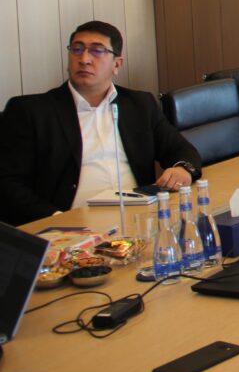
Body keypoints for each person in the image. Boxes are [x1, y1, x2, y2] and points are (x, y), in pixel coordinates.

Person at [0, 21, 203, 226]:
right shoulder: (31, 111)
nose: (84, 59)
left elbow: (181, 149)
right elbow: (8, 184)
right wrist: (57, 219)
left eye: (97, 51)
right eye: (77, 49)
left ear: (117, 64)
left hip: (138, 219)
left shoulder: (140, 104)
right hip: (71, 227)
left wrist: (182, 170)